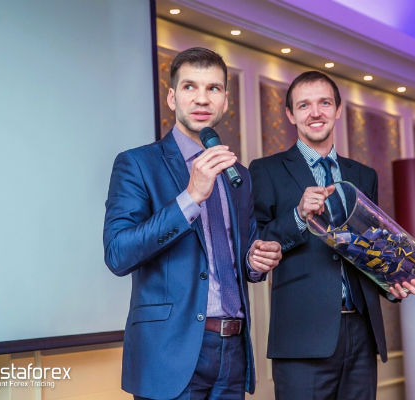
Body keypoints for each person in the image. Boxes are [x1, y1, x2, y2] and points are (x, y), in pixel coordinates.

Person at [103, 47, 282, 400]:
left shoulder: (239, 175)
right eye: (190, 87)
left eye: (213, 88)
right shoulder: (137, 164)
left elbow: (242, 254)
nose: (202, 98)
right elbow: (118, 253)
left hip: (233, 350)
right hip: (169, 353)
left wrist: (256, 259)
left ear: (225, 100)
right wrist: (190, 197)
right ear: (172, 97)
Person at [249, 70, 415, 400]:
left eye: (324, 103)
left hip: (362, 335)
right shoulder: (266, 170)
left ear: (338, 109)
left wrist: (393, 282)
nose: (315, 113)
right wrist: (298, 215)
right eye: (304, 105)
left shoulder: (364, 175)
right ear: (290, 114)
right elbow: (256, 243)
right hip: (302, 337)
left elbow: (371, 248)